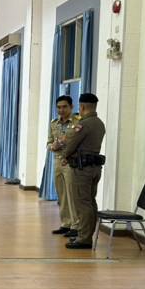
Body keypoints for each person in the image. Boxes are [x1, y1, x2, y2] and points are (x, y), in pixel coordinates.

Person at [61, 92, 107, 250]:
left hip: (82, 170)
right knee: (90, 202)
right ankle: (86, 235)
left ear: (82, 107)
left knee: (82, 204)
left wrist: (65, 156)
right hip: (94, 168)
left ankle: (84, 238)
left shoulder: (84, 124)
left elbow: (71, 144)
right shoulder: (99, 123)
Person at [47, 96, 81, 237]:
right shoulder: (54, 123)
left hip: (70, 162)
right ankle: (66, 223)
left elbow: (79, 142)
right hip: (57, 161)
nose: (61, 110)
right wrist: (52, 146)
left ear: (71, 107)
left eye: (64, 107)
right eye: (59, 107)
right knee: (61, 194)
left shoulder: (77, 122)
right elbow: (48, 142)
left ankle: (76, 226)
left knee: (72, 194)